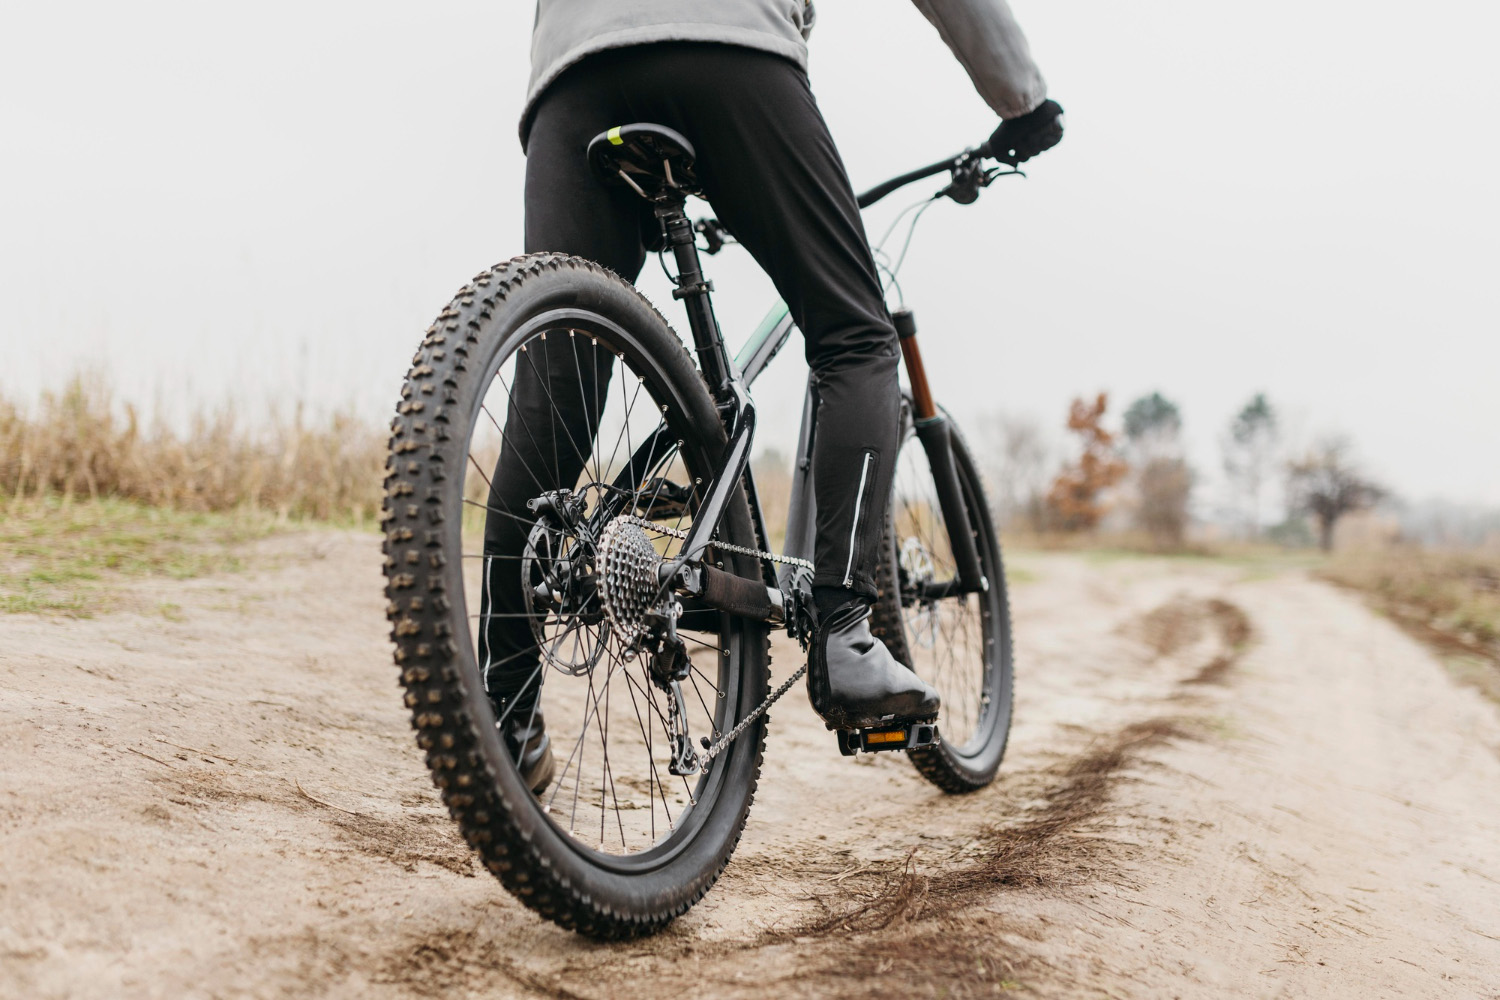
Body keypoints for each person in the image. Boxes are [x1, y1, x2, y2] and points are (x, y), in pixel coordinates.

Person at [482, 0, 1064, 792]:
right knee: (857, 338)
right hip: (730, 48)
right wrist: (1021, 100)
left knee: (559, 377)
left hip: (574, 70)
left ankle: (502, 704)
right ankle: (846, 634)